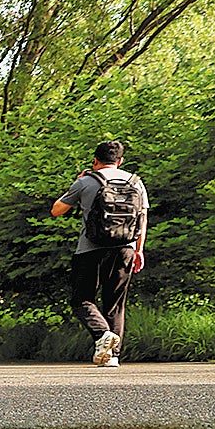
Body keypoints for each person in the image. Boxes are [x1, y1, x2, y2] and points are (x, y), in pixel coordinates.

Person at [50, 140, 149, 368]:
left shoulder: (86, 181)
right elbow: (142, 218)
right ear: (120, 161)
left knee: (81, 298)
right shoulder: (135, 182)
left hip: (90, 248)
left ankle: (103, 333)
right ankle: (112, 356)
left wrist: (75, 184)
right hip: (126, 248)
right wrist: (139, 250)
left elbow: (57, 210)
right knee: (115, 303)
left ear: (95, 160)